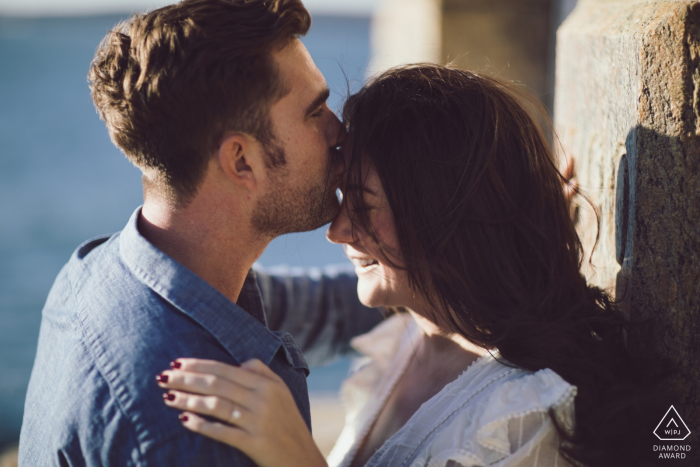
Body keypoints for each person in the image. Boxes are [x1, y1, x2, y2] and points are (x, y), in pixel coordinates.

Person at [156, 65, 669, 467]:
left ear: (445, 209)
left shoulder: (524, 421)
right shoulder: (404, 342)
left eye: (362, 202)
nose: (336, 230)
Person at [18, 1, 382, 465]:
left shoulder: (96, 271)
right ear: (241, 162)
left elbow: (323, 309)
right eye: (315, 113)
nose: (339, 131)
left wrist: (438, 282)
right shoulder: (200, 429)